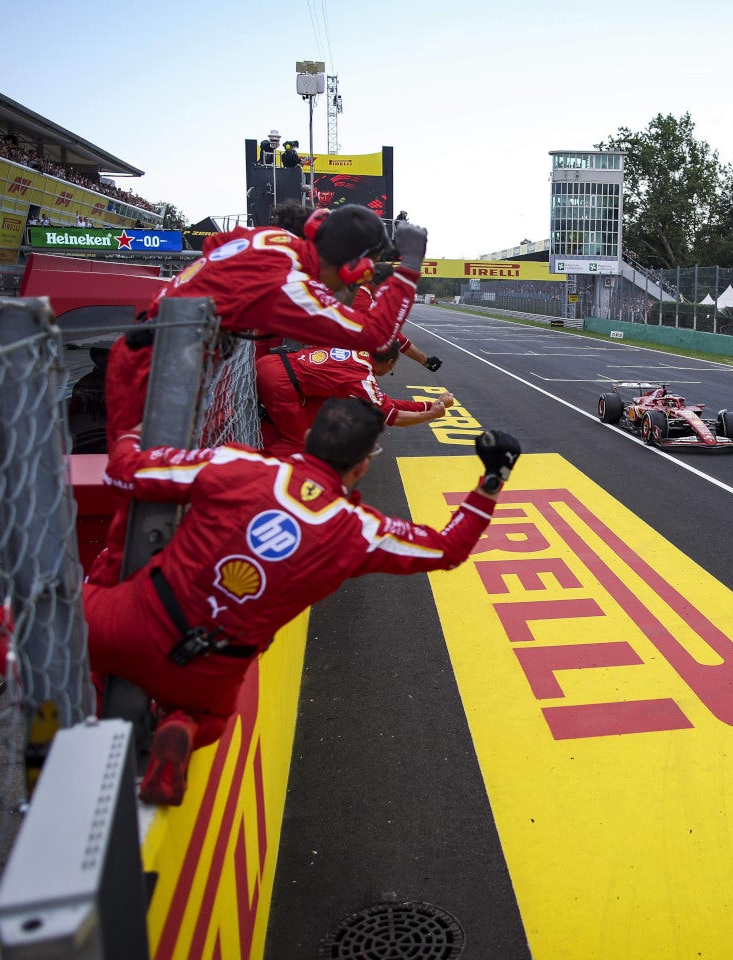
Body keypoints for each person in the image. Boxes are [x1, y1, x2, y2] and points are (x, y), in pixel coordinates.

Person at [84, 397, 522, 804]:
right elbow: (447, 549)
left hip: (138, 616)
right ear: (361, 467)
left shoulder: (236, 464)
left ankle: (59, 719)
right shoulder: (356, 531)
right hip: (210, 665)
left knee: (28, 624)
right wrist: (491, 480)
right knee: (211, 717)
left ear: (308, 436)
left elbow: (124, 472)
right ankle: (183, 724)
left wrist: (131, 435)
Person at [87, 204, 425, 586]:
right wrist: (410, 266)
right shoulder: (288, 285)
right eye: (359, 275)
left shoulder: (271, 241)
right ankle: (113, 593)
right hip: (159, 372)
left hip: (162, 352)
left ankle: (133, 583)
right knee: (141, 489)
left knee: (156, 485)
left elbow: (216, 242)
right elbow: (375, 336)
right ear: (352, 269)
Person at [257, 338, 455, 457]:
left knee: (319, 415)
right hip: (279, 384)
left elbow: (384, 403)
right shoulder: (362, 377)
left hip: (270, 363)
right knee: (299, 443)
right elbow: (392, 417)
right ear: (391, 362)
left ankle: (264, 441)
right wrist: (433, 415)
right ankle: (253, 469)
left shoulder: (355, 352)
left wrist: (431, 404)